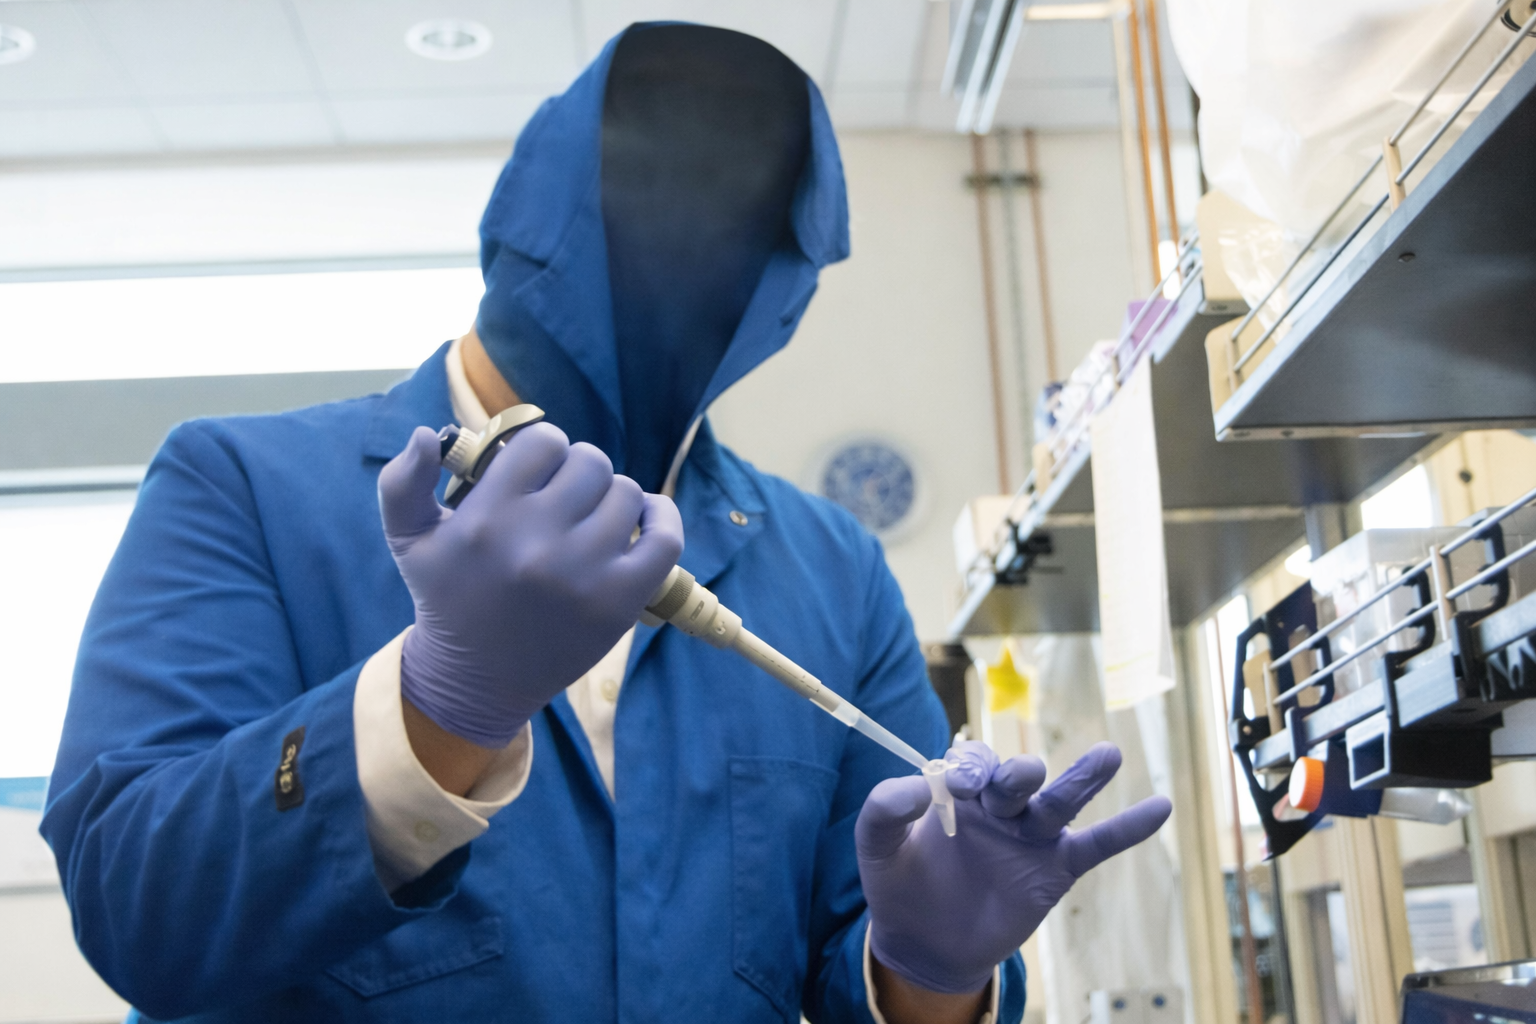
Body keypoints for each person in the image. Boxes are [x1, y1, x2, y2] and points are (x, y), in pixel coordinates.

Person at [42, 23, 1171, 1024]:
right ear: (540, 216)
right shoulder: (242, 489)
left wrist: (929, 976)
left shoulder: (830, 572)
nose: (697, 263)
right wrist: (428, 712)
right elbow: (134, 909)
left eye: (747, 233)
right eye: (658, 204)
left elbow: (856, 955)